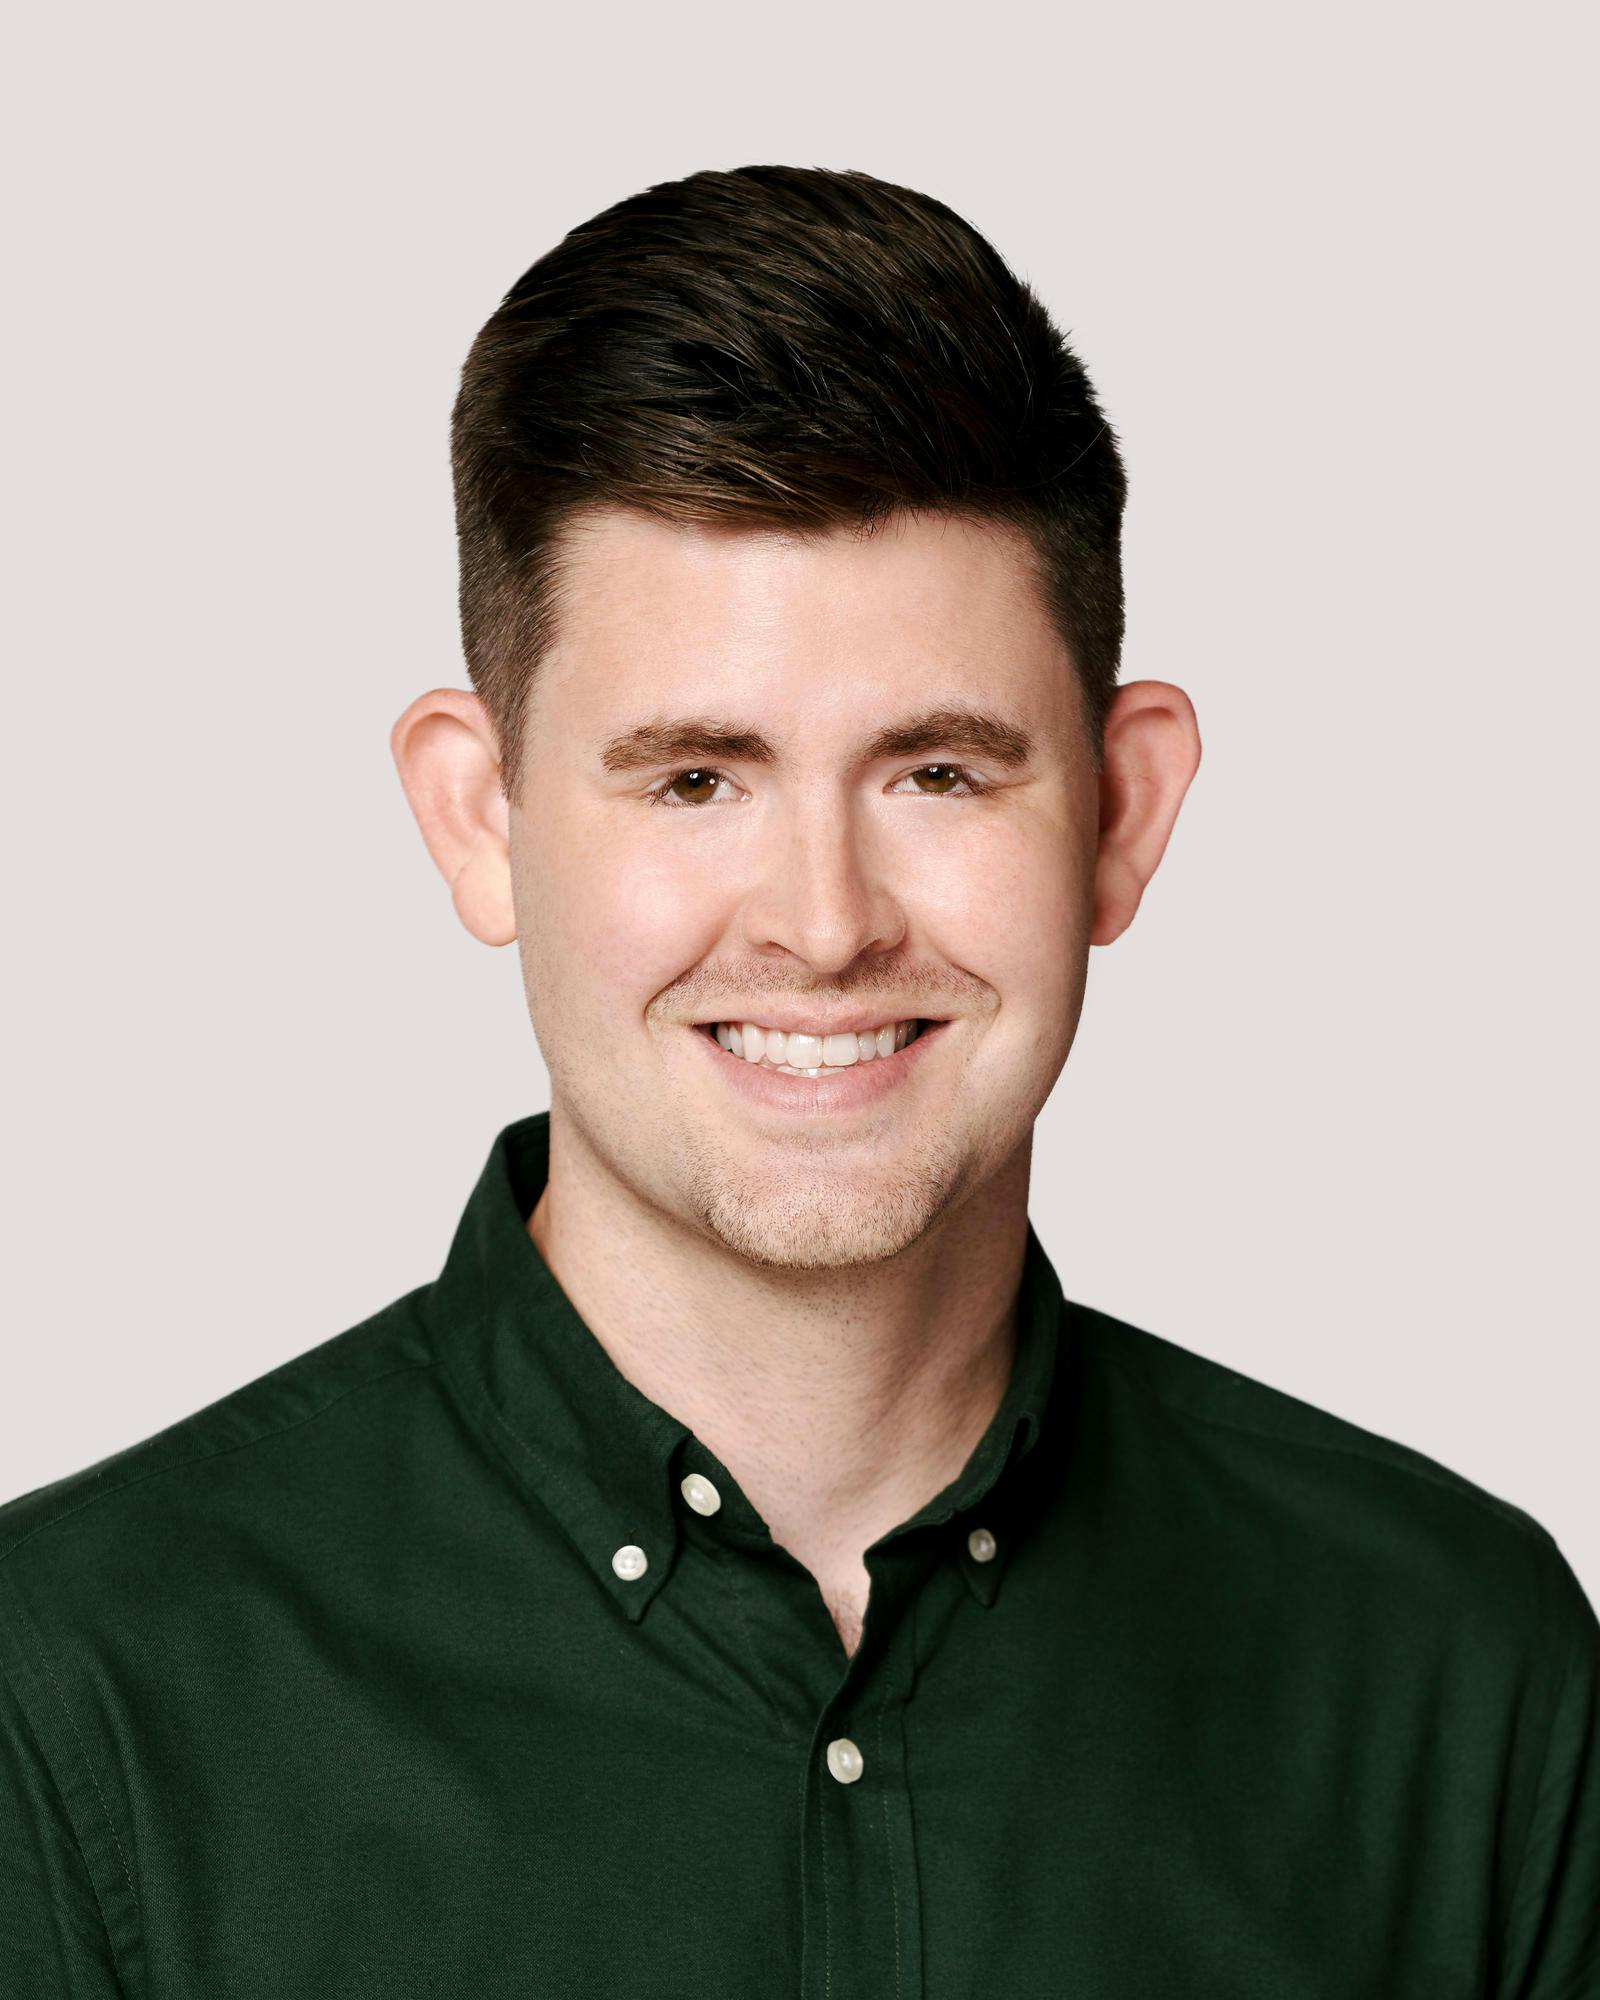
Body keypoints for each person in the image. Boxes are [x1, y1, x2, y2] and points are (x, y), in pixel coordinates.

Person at [2, 165, 1593, 1996]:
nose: (826, 927)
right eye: (695, 780)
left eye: (938, 774)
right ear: (479, 815)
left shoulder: (1456, 1678)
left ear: (1123, 811)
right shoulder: (72, 1705)